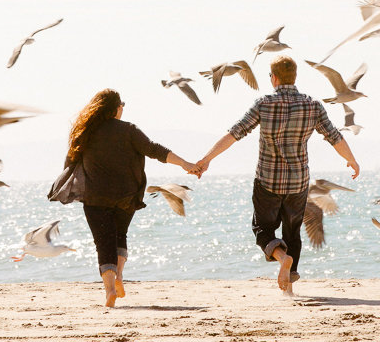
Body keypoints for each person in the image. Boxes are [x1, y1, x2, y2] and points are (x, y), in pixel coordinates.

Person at [195, 55, 359, 296]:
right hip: (298, 183)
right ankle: (289, 289)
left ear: (273, 78)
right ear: (294, 77)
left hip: (267, 182)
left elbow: (235, 133)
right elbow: (334, 136)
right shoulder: (312, 105)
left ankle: (283, 259)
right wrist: (351, 159)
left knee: (262, 229)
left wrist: (206, 159)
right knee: (292, 233)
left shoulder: (264, 103)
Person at [63, 88, 200, 307]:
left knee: (103, 242)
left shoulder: (85, 131)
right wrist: (186, 164)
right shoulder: (129, 130)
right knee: (120, 235)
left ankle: (109, 291)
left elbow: (70, 163)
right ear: (116, 108)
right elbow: (154, 149)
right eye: (122, 105)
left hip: (95, 197)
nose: (123, 109)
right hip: (126, 196)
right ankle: (119, 278)